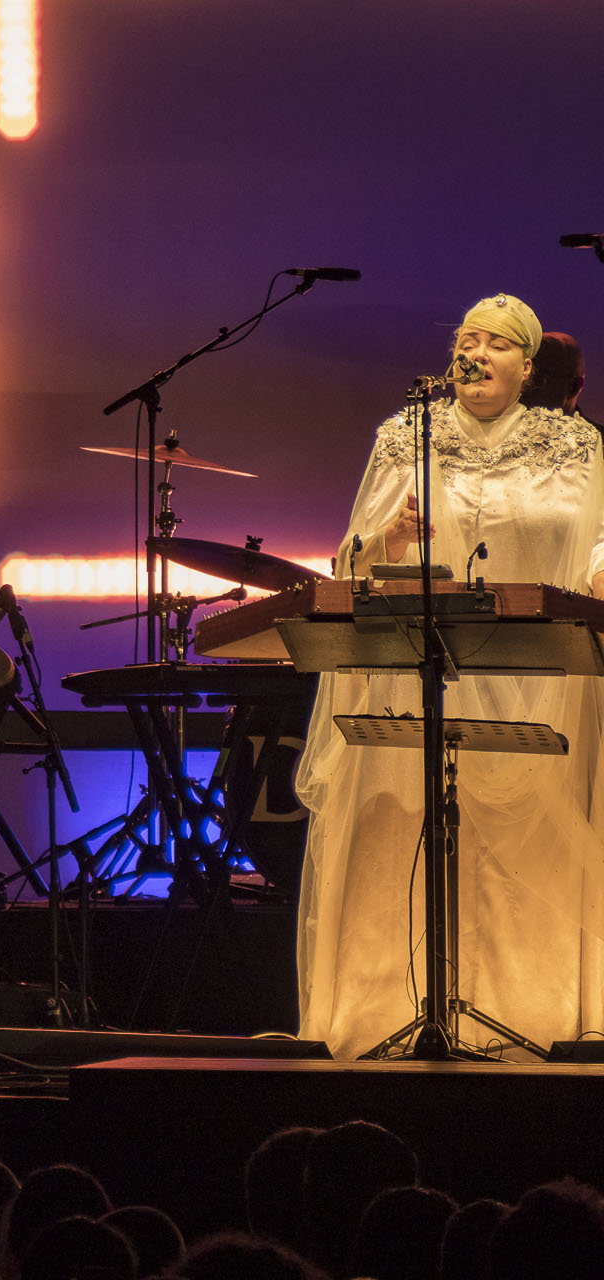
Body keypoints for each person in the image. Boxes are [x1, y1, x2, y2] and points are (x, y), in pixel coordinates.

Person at [296, 293, 604, 1059]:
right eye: (467, 340)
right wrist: (389, 540)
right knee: (410, 835)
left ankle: (528, 1015)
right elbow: (350, 560)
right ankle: (392, 1011)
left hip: (540, 676)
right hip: (420, 668)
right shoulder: (407, 436)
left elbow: (596, 543)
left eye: (497, 343)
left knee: (523, 841)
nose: (476, 353)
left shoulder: (576, 444)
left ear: (528, 365)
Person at [522, 330, 590, 421]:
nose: (525, 386)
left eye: (539, 379)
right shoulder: (504, 430)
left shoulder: (597, 435)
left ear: (573, 387)